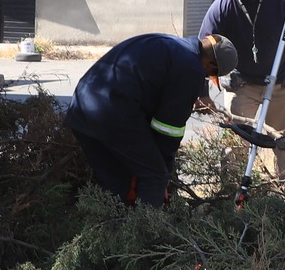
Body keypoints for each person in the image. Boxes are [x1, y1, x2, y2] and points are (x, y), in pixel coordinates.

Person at [65, 32, 237, 206]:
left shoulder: (169, 44)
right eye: (210, 74)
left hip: (81, 107)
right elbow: (168, 130)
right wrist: (166, 172)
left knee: (119, 183)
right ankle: (145, 231)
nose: (205, 77)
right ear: (211, 64)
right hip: (113, 112)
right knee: (154, 177)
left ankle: (112, 228)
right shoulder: (191, 67)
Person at [199, 0, 285, 189]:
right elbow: (202, 49)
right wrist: (202, 91)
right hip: (242, 83)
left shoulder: (282, 0)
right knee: (236, 140)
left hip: (280, 82)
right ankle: (231, 191)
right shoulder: (223, 6)